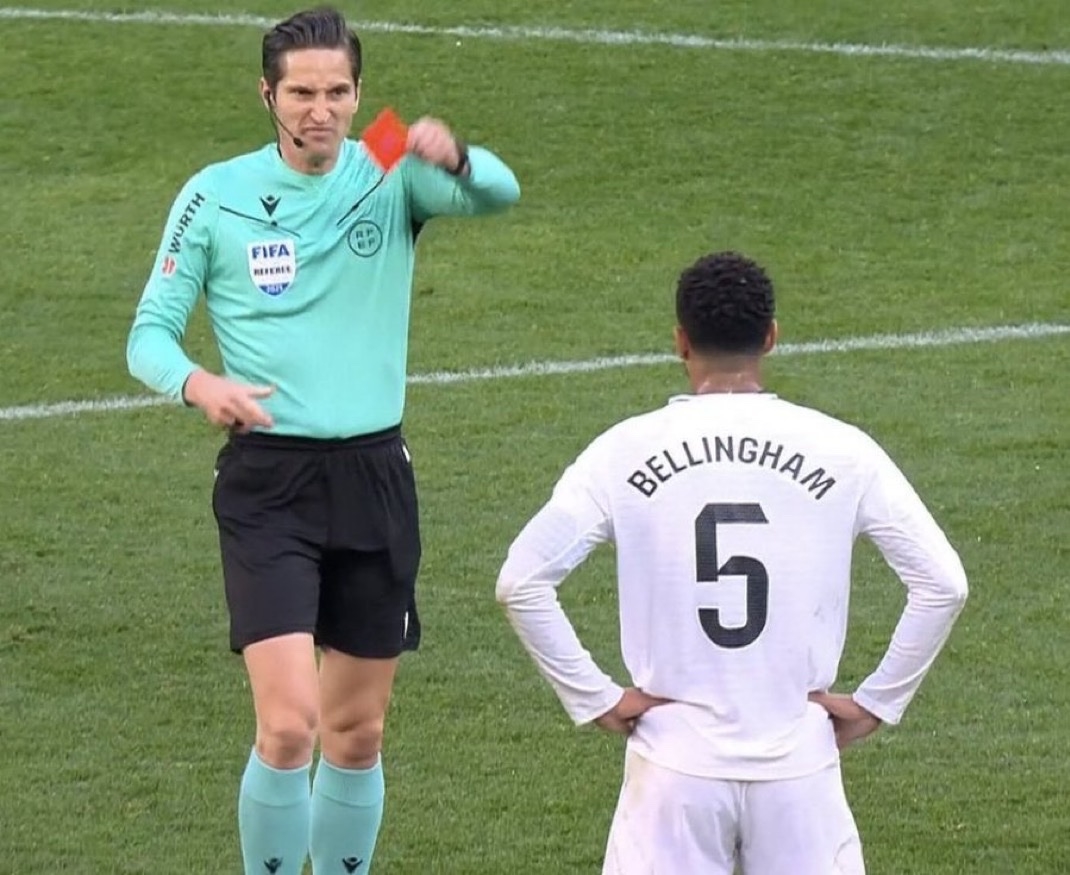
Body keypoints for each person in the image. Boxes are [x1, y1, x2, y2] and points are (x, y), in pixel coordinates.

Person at [126, 7, 520, 874]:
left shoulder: (386, 162)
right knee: (289, 725)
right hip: (269, 483)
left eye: (337, 91)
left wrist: (454, 155)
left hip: (375, 475)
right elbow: (148, 332)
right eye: (302, 93)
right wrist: (200, 383)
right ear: (266, 94)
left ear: (357, 93)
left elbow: (501, 193)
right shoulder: (216, 191)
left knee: (357, 731)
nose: (321, 110)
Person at [496, 251, 967, 874]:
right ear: (770, 337)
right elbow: (943, 585)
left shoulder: (622, 450)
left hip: (673, 769)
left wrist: (596, 697)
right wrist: (879, 701)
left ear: (680, 341)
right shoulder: (843, 449)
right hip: (799, 766)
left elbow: (522, 581)